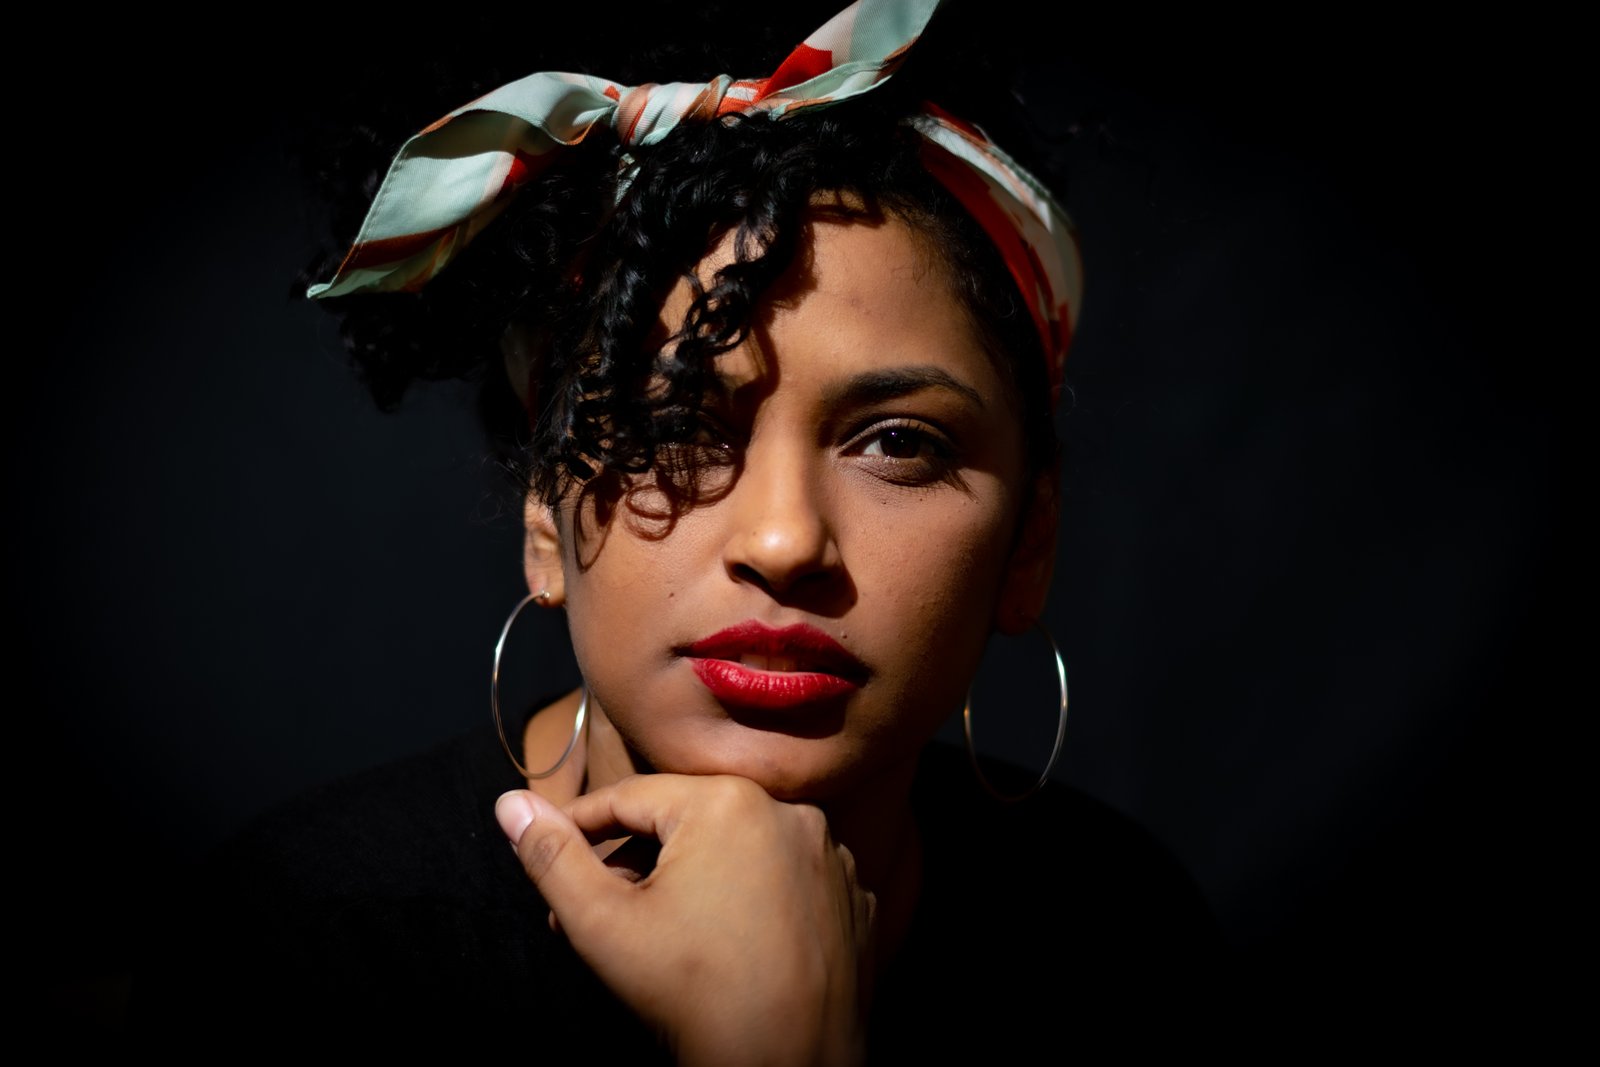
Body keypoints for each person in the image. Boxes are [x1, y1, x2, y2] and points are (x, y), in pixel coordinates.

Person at [138, 0, 1219, 1058]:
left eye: (899, 441)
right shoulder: (306, 949)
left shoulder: (1122, 933)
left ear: (1029, 541)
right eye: (672, 427)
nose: (784, 541)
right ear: (544, 512)